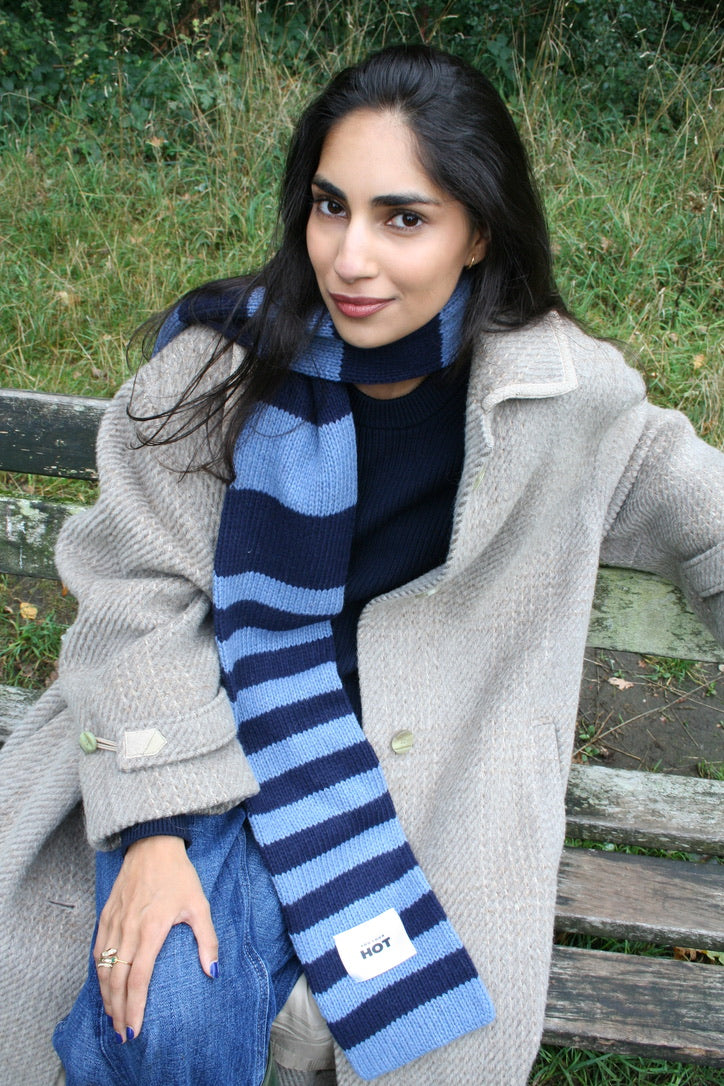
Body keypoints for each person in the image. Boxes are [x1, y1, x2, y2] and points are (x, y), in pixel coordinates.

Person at [0, 43, 722, 1086]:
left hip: (410, 782)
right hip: (200, 742)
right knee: (164, 1010)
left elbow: (702, 516)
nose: (349, 258)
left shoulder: (560, 399)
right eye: (331, 207)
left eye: (403, 219)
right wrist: (155, 833)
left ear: (479, 232)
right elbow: (132, 594)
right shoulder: (217, 371)